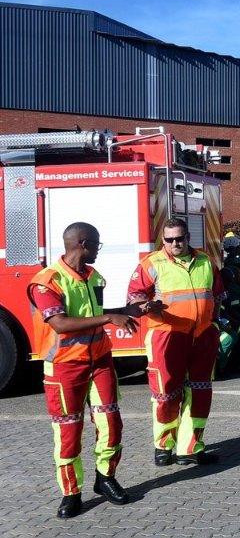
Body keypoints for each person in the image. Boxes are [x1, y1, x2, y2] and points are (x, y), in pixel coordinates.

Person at [28, 223, 157, 518]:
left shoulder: (93, 277)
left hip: (99, 361)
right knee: (68, 432)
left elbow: (91, 315)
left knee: (111, 424)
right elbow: (60, 323)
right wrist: (110, 317)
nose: (99, 250)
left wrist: (129, 310)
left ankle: (106, 479)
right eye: (96, 244)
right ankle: (71, 493)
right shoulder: (46, 282)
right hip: (64, 367)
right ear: (82, 243)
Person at [128, 218, 224, 466]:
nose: (174, 243)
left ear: (188, 237)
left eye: (179, 238)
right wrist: (144, 305)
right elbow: (135, 295)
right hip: (166, 334)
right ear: (163, 240)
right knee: (165, 394)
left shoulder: (205, 260)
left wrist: (214, 322)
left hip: (202, 335)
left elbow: (218, 293)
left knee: (200, 392)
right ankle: (163, 446)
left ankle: (190, 448)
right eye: (169, 240)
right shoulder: (151, 263)